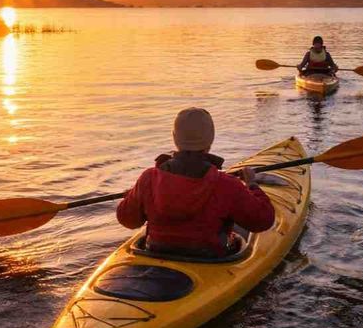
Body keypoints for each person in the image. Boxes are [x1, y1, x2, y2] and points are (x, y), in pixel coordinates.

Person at [116, 108, 276, 257]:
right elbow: (263, 221)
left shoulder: (148, 178)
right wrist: (252, 185)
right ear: (210, 141)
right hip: (211, 258)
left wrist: (132, 196)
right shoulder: (228, 184)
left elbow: (127, 220)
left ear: (174, 137)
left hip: (156, 251)